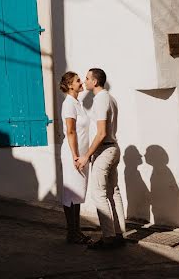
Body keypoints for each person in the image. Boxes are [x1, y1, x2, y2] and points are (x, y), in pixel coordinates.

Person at [76, 68, 125, 249]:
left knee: (99, 193)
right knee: (113, 192)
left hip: (104, 150)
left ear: (95, 82)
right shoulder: (110, 98)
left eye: (87, 78)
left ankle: (108, 237)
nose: (85, 81)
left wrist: (86, 156)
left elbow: (102, 132)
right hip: (113, 148)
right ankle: (119, 234)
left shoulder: (100, 99)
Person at [59, 71, 90, 244]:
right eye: (78, 80)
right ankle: (71, 233)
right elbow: (70, 131)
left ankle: (76, 231)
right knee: (71, 192)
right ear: (70, 85)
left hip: (81, 154)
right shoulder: (69, 104)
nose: (81, 82)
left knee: (77, 192)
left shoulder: (78, 103)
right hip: (73, 153)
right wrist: (75, 155)